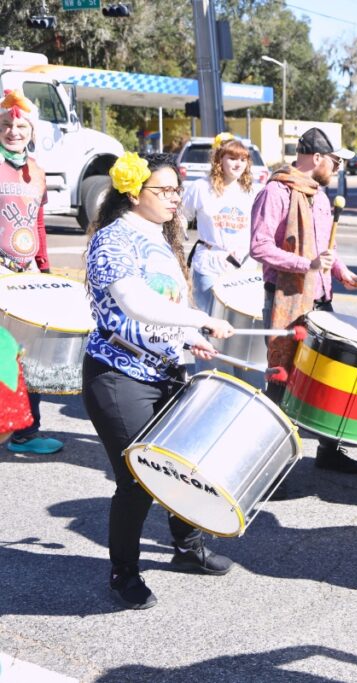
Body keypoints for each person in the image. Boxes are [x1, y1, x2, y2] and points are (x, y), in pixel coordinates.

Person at [81, 152, 237, 609]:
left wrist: (191, 338)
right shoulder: (112, 239)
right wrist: (200, 319)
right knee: (136, 479)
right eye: (164, 190)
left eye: (176, 190)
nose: (175, 198)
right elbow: (135, 303)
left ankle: (187, 550)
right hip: (118, 373)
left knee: (181, 464)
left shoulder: (161, 237)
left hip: (165, 369)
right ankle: (123, 573)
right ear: (134, 192)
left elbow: (169, 301)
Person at [250, 127, 357, 475]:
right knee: (282, 379)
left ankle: (329, 451)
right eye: (335, 162)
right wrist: (307, 265)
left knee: (331, 373)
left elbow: (325, 251)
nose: (338, 169)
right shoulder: (276, 191)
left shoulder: (318, 195)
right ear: (317, 158)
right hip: (286, 298)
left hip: (320, 298)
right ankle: (270, 465)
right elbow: (259, 247)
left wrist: (341, 271)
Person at [0, 89, 62, 455]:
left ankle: (25, 430)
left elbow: (38, 225)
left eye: (20, 125)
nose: (13, 131)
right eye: (7, 125)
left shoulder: (36, 171)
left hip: (28, 277)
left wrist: (46, 270)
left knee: (29, 354)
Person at [179, 132, 258, 314]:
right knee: (206, 318)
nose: (238, 164)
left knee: (234, 323)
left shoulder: (250, 192)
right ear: (219, 160)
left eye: (243, 159)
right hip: (209, 264)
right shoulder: (200, 187)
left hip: (241, 268)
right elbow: (181, 216)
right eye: (232, 158)